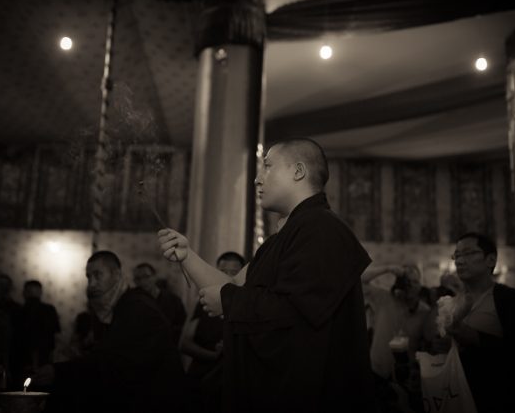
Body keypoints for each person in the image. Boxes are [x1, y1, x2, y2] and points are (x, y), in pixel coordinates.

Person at [158, 138, 376, 413]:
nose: (257, 180)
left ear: (298, 172)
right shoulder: (281, 239)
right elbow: (236, 287)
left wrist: (229, 300)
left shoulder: (322, 229)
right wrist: (187, 255)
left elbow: (295, 312)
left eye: (268, 167)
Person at [34, 250, 189, 413]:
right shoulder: (119, 305)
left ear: (116, 274)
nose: (92, 283)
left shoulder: (137, 307)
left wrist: (60, 371)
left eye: (97, 275)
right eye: (88, 277)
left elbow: (115, 362)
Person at [444, 232, 515, 413]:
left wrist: (475, 337)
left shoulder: (508, 299)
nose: (459, 261)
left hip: (502, 399)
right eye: (457, 255)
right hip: (461, 397)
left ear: (490, 260)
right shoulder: (452, 301)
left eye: (469, 254)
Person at [180, 251, 244, 413]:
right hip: (200, 376)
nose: (227, 278)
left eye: (234, 273)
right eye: (223, 272)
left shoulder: (247, 307)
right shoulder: (204, 302)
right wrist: (213, 355)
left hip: (231, 384)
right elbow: (184, 343)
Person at [132, 262, 186, 345]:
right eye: (138, 279)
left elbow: (183, 327)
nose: (142, 282)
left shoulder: (173, 300)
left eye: (146, 277)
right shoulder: (132, 301)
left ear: (155, 277)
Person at [19, 281, 60, 373]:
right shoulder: (19, 311)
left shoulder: (19, 310)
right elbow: (56, 335)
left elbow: (56, 336)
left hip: (34, 357)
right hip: (32, 356)